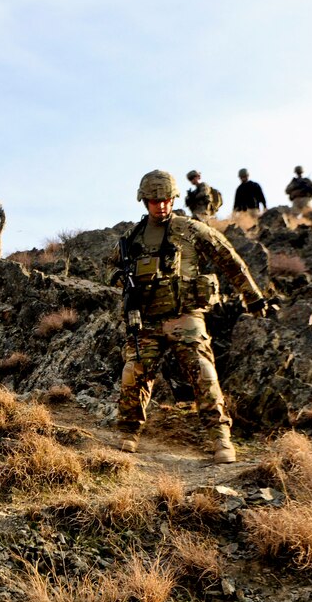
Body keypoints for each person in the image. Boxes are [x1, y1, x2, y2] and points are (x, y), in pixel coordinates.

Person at [113, 170, 269, 464]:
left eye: (165, 200)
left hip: (185, 315)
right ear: (144, 201)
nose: (160, 206)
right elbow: (111, 268)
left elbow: (228, 257)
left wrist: (253, 296)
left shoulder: (191, 228)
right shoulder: (132, 236)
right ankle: (129, 432)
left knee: (203, 373)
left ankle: (220, 438)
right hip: (147, 319)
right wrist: (120, 278)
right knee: (133, 373)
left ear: (173, 199)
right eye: (153, 200)